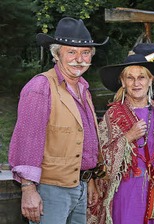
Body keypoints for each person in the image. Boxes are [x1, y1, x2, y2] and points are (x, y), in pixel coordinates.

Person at [8, 17, 107, 224]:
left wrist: (89, 180)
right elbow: (28, 141)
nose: (79, 59)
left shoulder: (84, 89)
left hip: (79, 187)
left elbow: (84, 140)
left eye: (85, 53)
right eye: (71, 52)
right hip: (51, 190)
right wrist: (28, 189)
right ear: (56, 54)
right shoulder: (41, 87)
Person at [88, 53, 154, 224]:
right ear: (123, 82)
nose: (136, 83)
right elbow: (100, 157)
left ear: (150, 80)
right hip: (125, 190)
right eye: (130, 78)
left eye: (142, 77)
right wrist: (127, 137)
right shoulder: (113, 116)